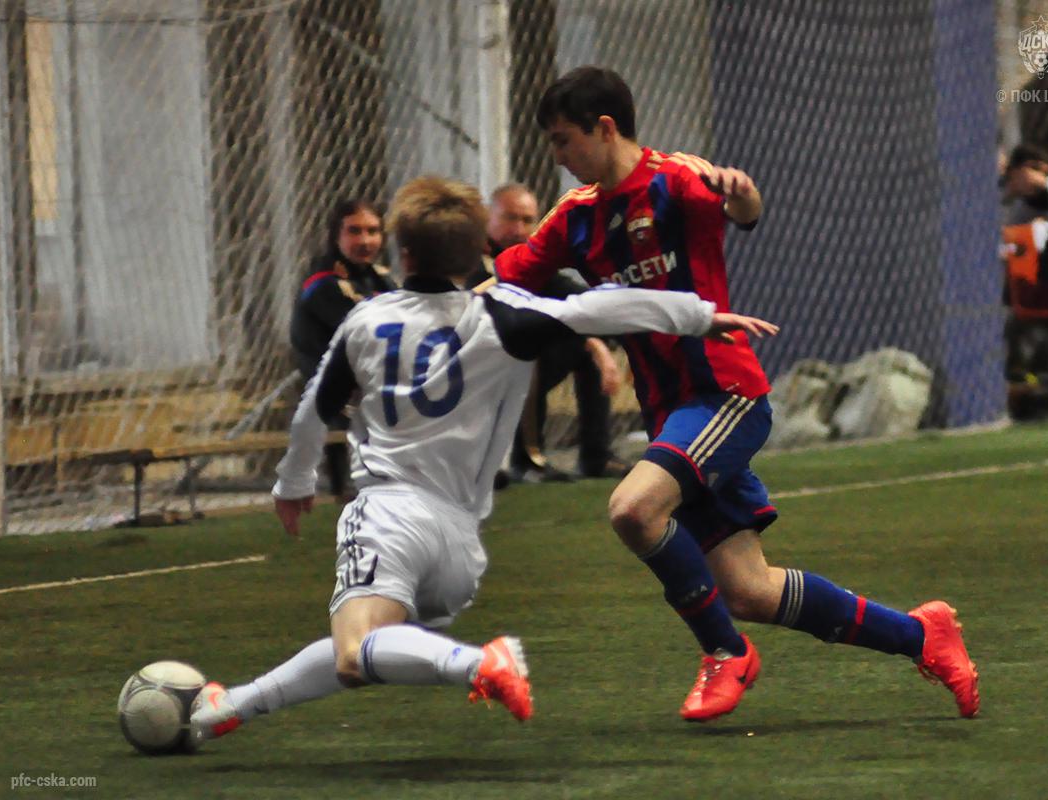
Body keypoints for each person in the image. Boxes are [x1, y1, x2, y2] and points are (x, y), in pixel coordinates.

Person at [189, 175, 778, 744]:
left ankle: (479, 663)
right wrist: (700, 315)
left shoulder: (366, 320)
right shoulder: (502, 316)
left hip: (389, 514)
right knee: (368, 645)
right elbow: (598, 307)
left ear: (402, 251)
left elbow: (314, 410)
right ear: (478, 252)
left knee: (358, 648)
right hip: (459, 540)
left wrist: (293, 482)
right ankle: (229, 708)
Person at [493, 66, 980, 722]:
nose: (556, 155)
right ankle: (923, 636)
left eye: (562, 140)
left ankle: (726, 652)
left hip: (723, 396)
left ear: (604, 128)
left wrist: (745, 196)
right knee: (749, 590)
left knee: (633, 510)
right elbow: (509, 277)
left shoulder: (676, 180)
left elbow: (740, 211)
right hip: (673, 418)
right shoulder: (576, 216)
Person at [477, 183, 630, 483]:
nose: (519, 229)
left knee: (582, 343)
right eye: (510, 218)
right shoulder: (473, 260)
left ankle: (596, 457)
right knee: (529, 351)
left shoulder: (529, 261)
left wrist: (599, 342)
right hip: (476, 370)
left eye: (527, 220)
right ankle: (526, 461)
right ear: (487, 219)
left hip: (509, 362)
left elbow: (578, 298)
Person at [290, 199, 397, 501]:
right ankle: (344, 485)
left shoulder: (380, 278)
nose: (365, 241)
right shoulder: (322, 283)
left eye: (373, 231)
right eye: (354, 231)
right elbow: (368, 332)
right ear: (335, 236)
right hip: (338, 392)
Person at [1001, 144, 1048, 226]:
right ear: (1014, 168)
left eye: (1046, 174)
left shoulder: (1028, 212)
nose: (1040, 180)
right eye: (1035, 168)